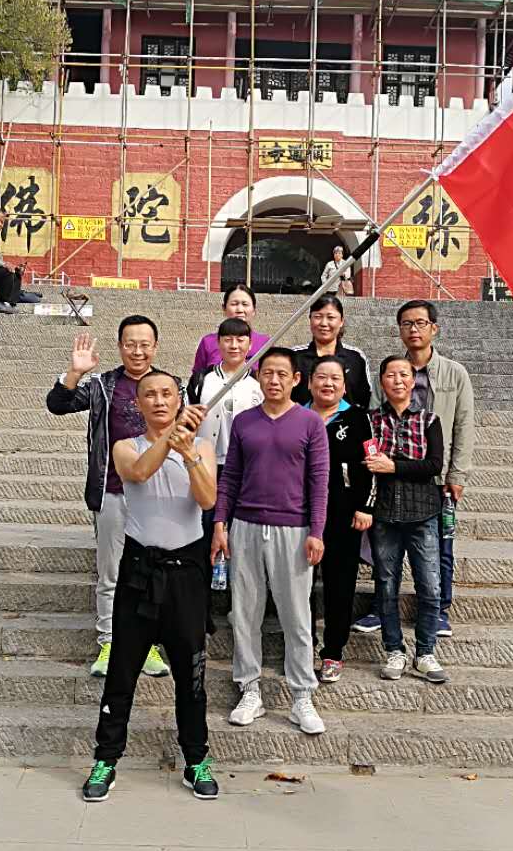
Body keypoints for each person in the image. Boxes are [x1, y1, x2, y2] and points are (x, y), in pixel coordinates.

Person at [83, 370, 220, 803]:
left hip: (187, 573)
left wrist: (189, 452)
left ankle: (196, 759)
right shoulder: (126, 447)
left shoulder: (201, 447)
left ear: (179, 399)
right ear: (137, 404)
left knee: (191, 676)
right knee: (121, 673)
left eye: (167, 394)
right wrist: (171, 437)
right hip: (140, 570)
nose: (159, 401)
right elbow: (140, 473)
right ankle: (106, 759)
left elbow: (208, 499)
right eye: (150, 395)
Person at [45, 317, 171, 680]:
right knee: (111, 573)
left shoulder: (169, 386)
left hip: (157, 497)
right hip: (113, 492)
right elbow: (58, 404)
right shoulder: (103, 385)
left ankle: (147, 644)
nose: (137, 351)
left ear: (155, 347)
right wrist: (75, 372)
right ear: (119, 347)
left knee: (153, 573)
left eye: (144, 344)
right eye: (130, 344)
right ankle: (109, 643)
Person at [212, 348, 330, 735]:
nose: (274, 380)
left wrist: (316, 531)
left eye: (282, 374)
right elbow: (230, 476)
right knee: (245, 613)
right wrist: (220, 523)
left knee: (296, 616)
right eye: (267, 373)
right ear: (258, 377)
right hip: (245, 525)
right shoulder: (244, 421)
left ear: (296, 379)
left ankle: (302, 696)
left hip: (293, 530)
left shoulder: (310, 422)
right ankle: (249, 690)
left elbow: (319, 482)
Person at [353, 300, 476, 639]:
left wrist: (456, 475)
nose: (414, 329)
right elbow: (372, 423)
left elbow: (464, 425)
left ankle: (438, 610)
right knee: (384, 548)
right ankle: (381, 608)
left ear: (434, 328)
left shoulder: (454, 373)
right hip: (390, 475)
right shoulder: (391, 371)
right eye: (407, 323)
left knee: (440, 545)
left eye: (421, 323)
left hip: (434, 475)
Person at [365, 354, 448, 684]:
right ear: (381, 382)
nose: (397, 381)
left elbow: (434, 465)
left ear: (413, 381)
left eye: (404, 375)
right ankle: (394, 650)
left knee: (430, 586)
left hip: (422, 513)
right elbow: (368, 464)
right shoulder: (371, 420)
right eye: (390, 375)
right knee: (386, 585)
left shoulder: (429, 420)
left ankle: (425, 651)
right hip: (384, 514)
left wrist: (394, 466)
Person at [187, 317, 265, 632]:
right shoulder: (202, 380)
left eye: (240, 340)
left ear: (250, 344)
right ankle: (200, 608)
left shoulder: (258, 383)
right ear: (218, 343)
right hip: (207, 467)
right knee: (204, 534)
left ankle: (240, 608)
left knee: (241, 540)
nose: (234, 345)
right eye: (228, 339)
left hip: (245, 472)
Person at [306, 356, 373, 683]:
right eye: (321, 377)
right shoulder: (297, 415)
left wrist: (366, 507)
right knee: (300, 588)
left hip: (344, 516)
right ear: (309, 383)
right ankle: (303, 647)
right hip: (300, 514)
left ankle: (333, 652)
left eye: (335, 378)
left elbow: (371, 464)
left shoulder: (358, 418)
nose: (328, 384)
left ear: (344, 386)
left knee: (340, 586)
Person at [290, 295, 370, 409]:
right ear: (310, 320)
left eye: (330, 317)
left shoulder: (356, 357)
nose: (323, 323)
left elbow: (365, 399)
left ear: (341, 321)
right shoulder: (294, 356)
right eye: (317, 317)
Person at [190, 284, 269, 375]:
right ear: (224, 308)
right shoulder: (208, 342)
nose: (240, 309)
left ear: (254, 310)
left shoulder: (265, 343)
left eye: (245, 304)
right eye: (234, 304)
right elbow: (197, 377)